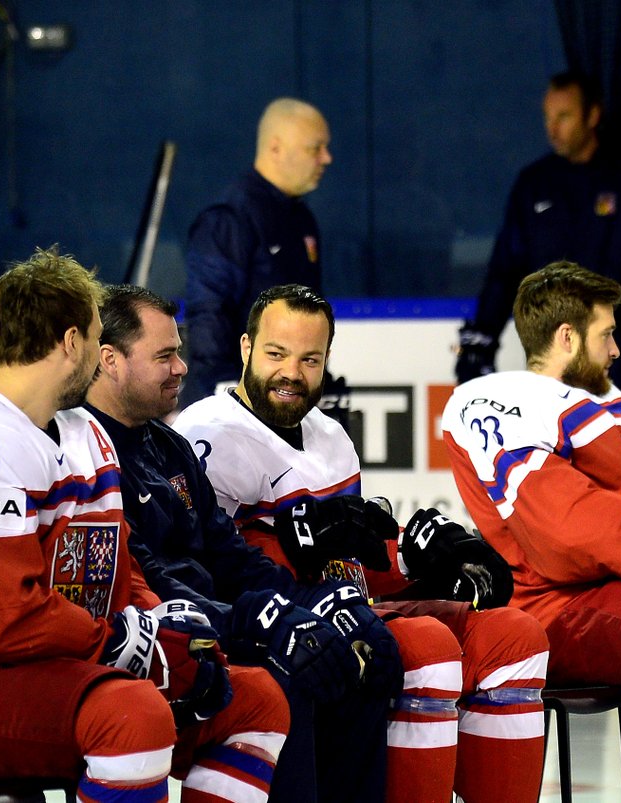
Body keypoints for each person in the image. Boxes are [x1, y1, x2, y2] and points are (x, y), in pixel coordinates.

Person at [0, 247, 290, 802]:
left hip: (64, 667)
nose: (102, 354)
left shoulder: (85, 435)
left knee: (256, 696)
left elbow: (119, 571)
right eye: (98, 337)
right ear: (72, 342)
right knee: (131, 716)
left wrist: (170, 628)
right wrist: (124, 641)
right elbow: (4, 623)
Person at [175, 284, 551, 803]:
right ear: (245, 348)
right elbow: (211, 569)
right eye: (276, 354)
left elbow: (355, 563)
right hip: (288, 624)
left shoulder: (330, 434)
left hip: (354, 609)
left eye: (310, 359)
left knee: (515, 636)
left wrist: (427, 564)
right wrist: (296, 549)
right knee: (430, 649)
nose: (292, 374)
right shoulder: (205, 435)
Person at [85, 284, 402, 803]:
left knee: (352, 660)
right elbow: (144, 580)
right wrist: (261, 618)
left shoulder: (168, 445)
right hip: (155, 644)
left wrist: (319, 606)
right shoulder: (84, 451)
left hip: (215, 626)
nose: (182, 368)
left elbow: (233, 556)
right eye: (165, 355)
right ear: (110, 360)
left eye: (180, 352)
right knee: (294, 675)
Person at [443, 260, 621, 687]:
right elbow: (562, 534)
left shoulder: (618, 406)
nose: (616, 350)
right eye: (606, 335)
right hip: (557, 610)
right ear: (567, 337)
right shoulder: (496, 402)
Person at [456, 71, 621, 423]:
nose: (553, 128)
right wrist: (482, 335)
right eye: (548, 117)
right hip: (550, 361)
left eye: (563, 116)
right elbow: (505, 269)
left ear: (592, 116)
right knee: (554, 464)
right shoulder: (534, 184)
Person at [182, 97, 332, 408]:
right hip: (235, 405)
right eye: (314, 148)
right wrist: (224, 390)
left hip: (286, 399)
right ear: (276, 148)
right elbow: (209, 311)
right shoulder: (230, 218)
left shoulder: (301, 219)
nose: (326, 158)